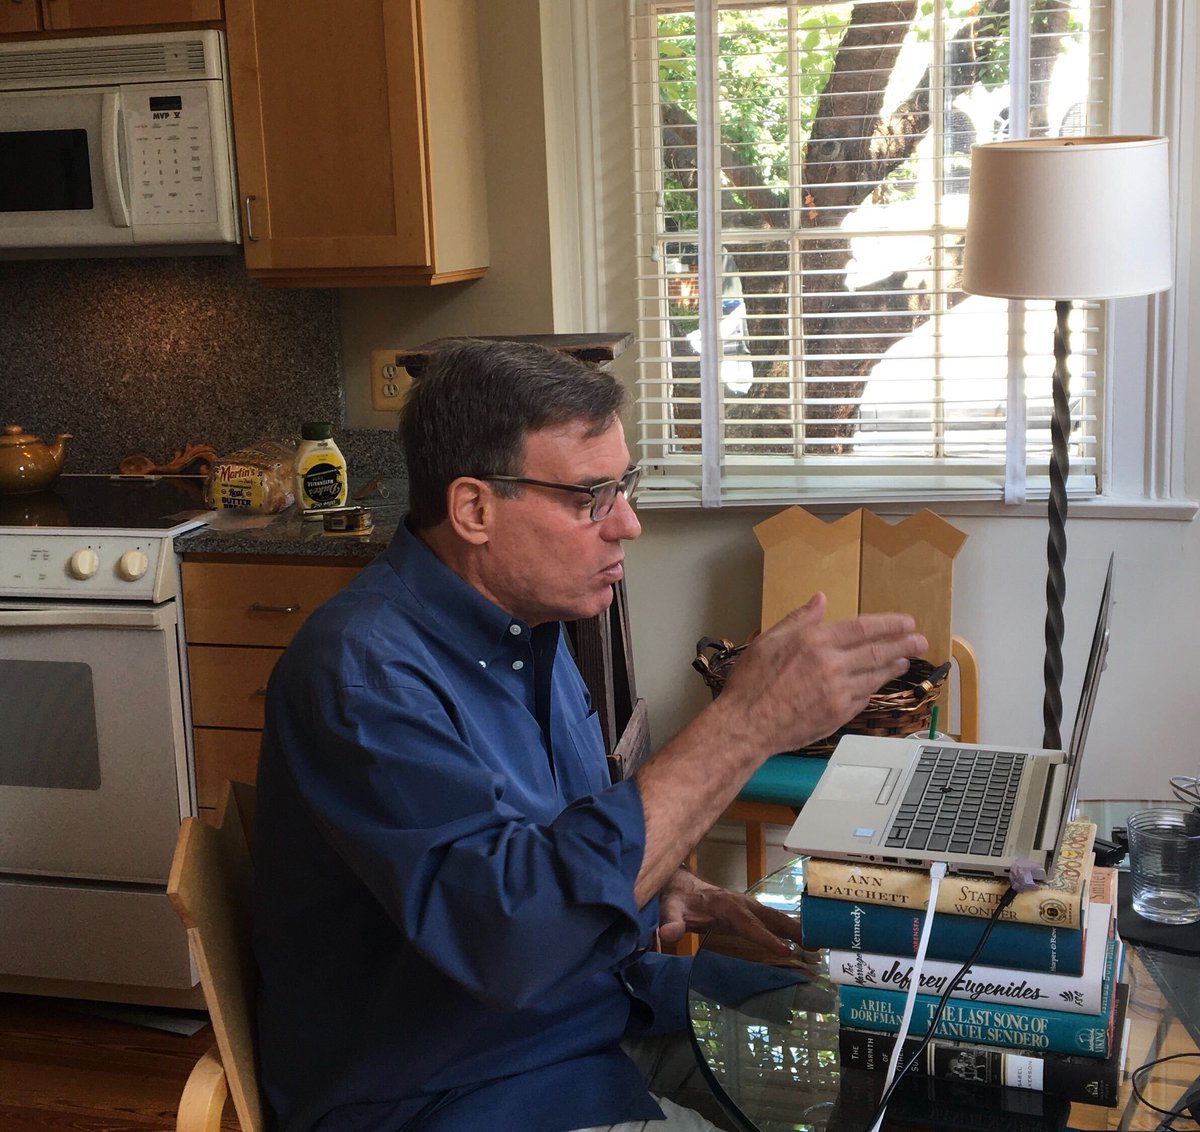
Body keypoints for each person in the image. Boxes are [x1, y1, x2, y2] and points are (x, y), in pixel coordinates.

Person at [253, 337, 926, 1132]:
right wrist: (745, 724)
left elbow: (533, 847)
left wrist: (667, 887)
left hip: (597, 1011)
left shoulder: (532, 629)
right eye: (590, 497)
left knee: (900, 1049)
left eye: (625, 487)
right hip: (454, 1085)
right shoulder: (364, 674)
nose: (629, 525)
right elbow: (511, 940)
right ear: (474, 508)